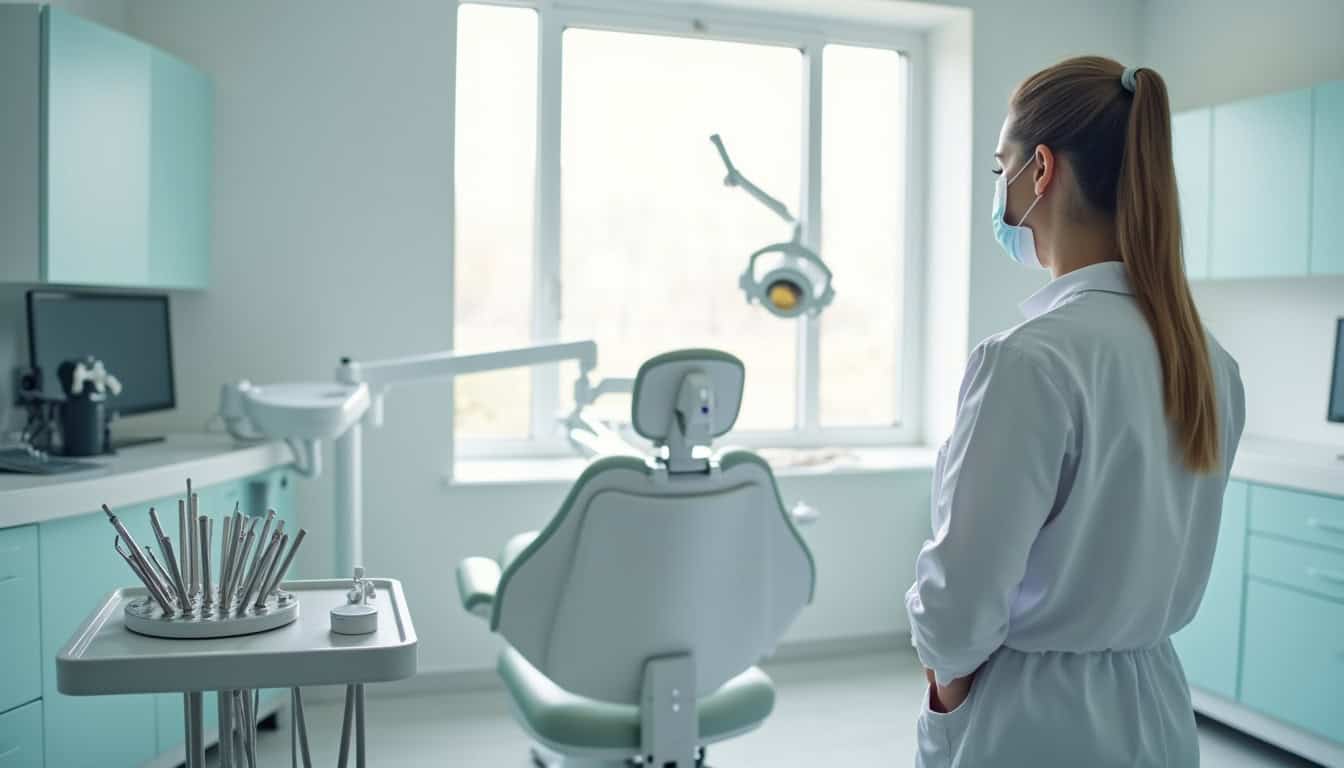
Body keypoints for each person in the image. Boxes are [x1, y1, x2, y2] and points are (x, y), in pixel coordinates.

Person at [905, 56, 1246, 767]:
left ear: (1040, 170)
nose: (999, 190)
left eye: (1001, 168)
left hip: (1032, 721)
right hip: (1155, 709)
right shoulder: (1210, 364)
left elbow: (958, 608)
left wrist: (946, 698)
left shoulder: (1029, 361)